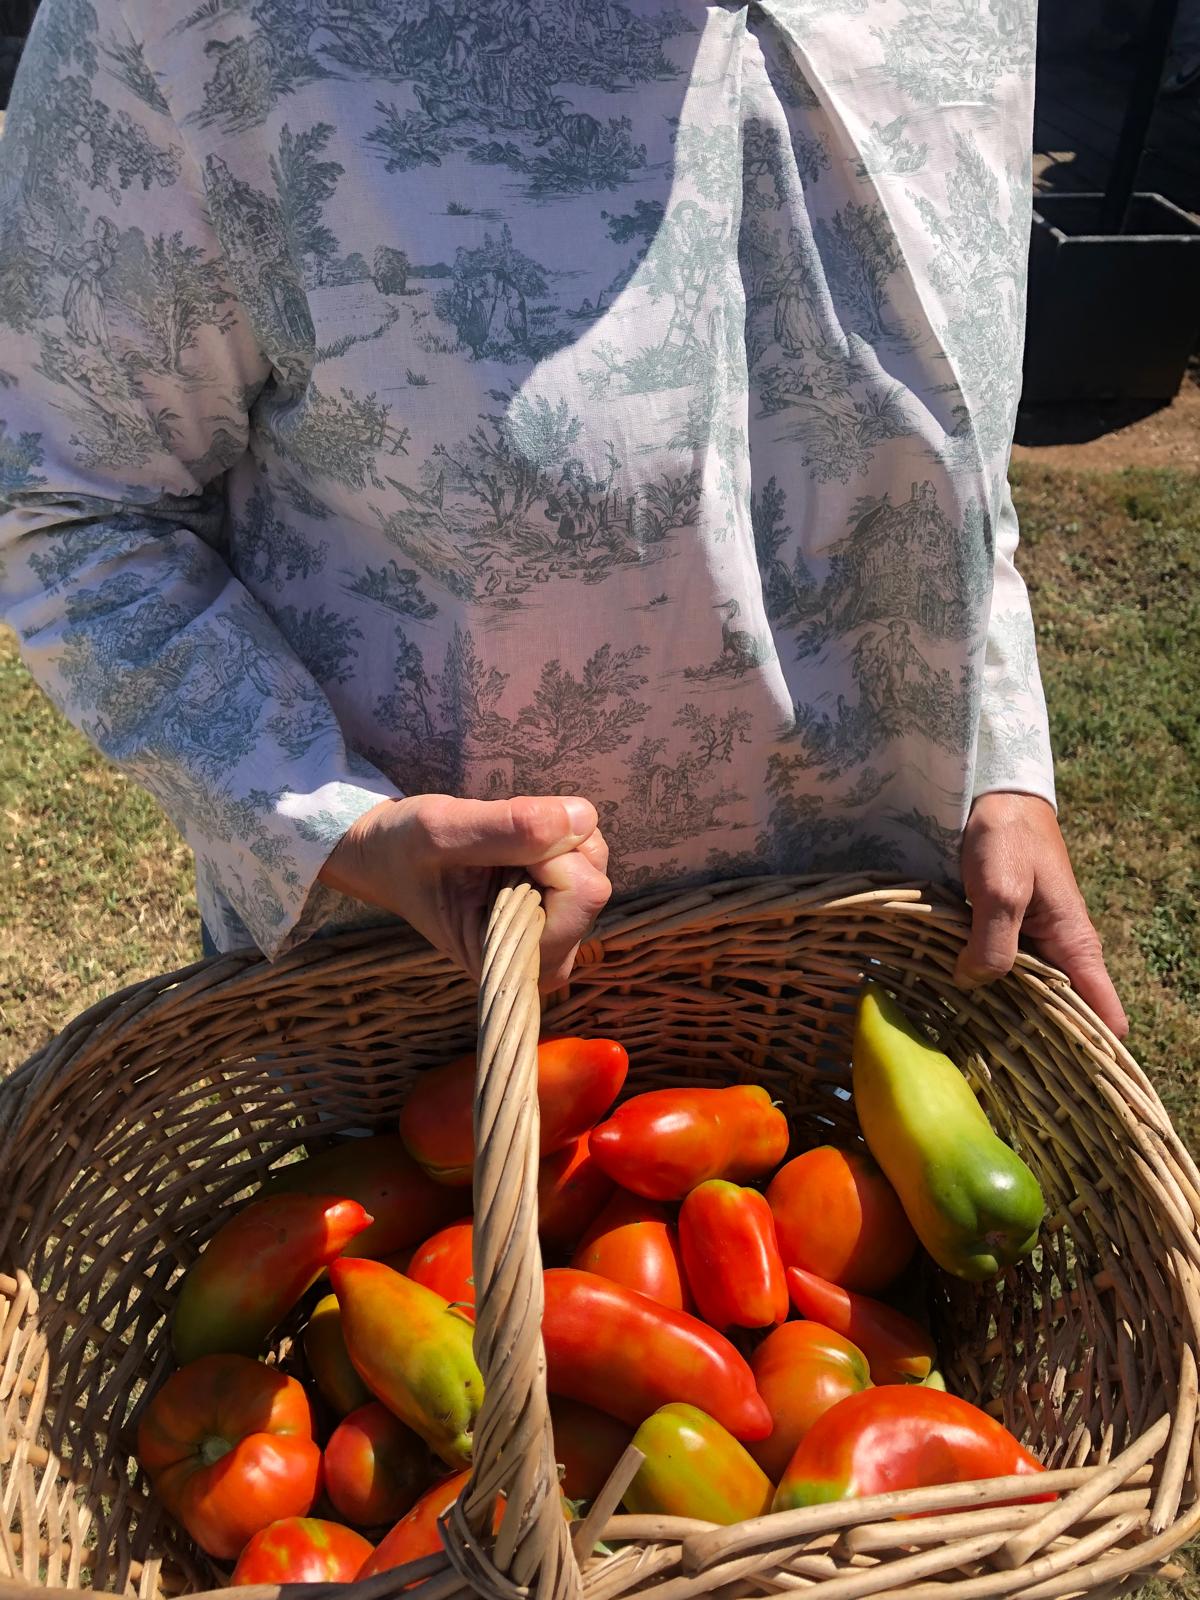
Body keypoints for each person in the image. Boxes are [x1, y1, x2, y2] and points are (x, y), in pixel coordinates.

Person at [0, 0, 1126, 1035]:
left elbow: (941, 431)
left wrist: (1003, 762)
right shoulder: (200, 25)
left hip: (861, 1005)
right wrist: (336, 826)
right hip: (431, 1034)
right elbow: (71, 503)